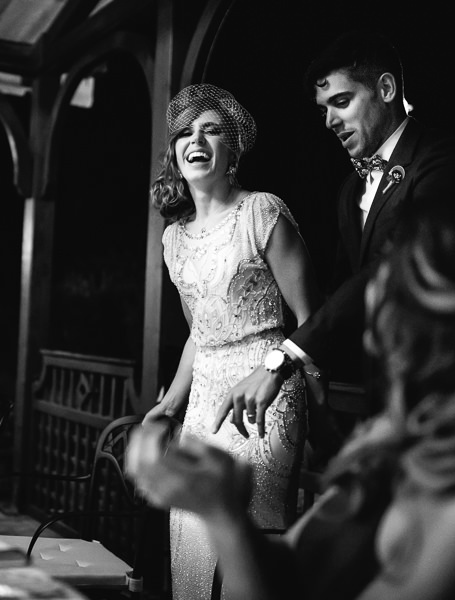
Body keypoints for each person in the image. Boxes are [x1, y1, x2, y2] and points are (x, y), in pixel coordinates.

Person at [128, 193, 455, 600]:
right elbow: (286, 573)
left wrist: (222, 513)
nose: (376, 326)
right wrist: (222, 510)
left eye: (402, 299)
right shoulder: (392, 443)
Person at [214, 31, 455, 441]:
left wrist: (285, 358)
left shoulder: (443, 161)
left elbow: (391, 265)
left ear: (386, 89)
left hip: (449, 392)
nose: (330, 122)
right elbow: (341, 287)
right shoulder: (350, 190)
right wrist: (313, 375)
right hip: (378, 395)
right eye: (323, 110)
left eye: (341, 102)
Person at [142, 83, 324, 600]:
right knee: (193, 535)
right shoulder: (173, 238)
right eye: (185, 133)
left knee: (249, 532)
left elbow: (312, 317)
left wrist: (297, 382)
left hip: (265, 391)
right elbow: (199, 333)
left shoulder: (261, 211)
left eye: (211, 129)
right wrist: (170, 405)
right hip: (203, 401)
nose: (195, 140)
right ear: (176, 153)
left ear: (233, 149)